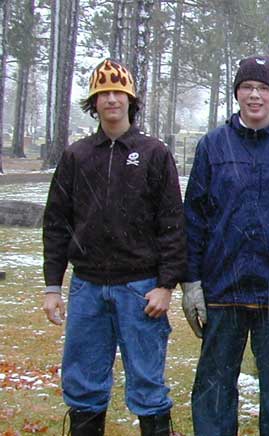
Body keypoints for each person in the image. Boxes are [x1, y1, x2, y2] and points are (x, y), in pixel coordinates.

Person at [41, 59, 185, 436]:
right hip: (87, 287)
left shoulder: (154, 153)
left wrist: (166, 285)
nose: (110, 99)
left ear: (130, 99)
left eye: (118, 92)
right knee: (84, 387)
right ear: (93, 102)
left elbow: (172, 223)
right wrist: (52, 286)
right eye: (102, 93)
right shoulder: (77, 156)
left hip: (140, 289)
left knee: (148, 385)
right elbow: (56, 223)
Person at [182, 55, 269, 435]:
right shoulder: (213, 146)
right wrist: (191, 282)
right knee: (213, 387)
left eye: (263, 88)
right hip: (222, 291)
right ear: (237, 93)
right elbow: (194, 218)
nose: (255, 96)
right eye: (247, 88)